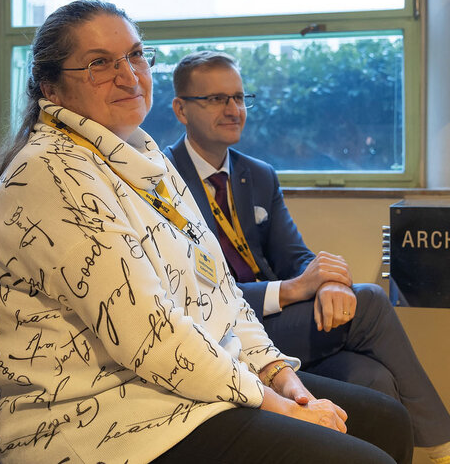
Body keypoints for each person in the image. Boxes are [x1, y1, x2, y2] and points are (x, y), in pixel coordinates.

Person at [0, 0, 412, 464]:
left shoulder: (142, 155)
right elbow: (149, 336)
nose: (129, 76)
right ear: (50, 88)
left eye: (135, 55)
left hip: (187, 391)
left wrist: (281, 377)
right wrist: (281, 408)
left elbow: (223, 293)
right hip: (102, 423)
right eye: (99, 64)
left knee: (385, 421)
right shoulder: (50, 175)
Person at [163, 49, 450, 464]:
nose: (233, 109)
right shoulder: (164, 180)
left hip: (277, 322)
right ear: (181, 109)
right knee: (370, 300)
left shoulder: (258, 174)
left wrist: (328, 281)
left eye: (239, 97)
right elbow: (193, 290)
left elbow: (296, 255)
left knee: (372, 376)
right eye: (216, 99)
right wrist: (294, 289)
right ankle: (442, 447)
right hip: (223, 331)